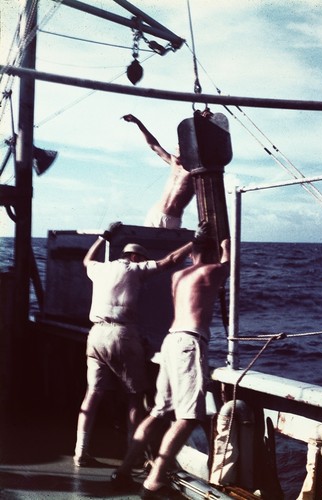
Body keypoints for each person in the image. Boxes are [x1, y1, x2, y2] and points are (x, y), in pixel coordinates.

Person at [111, 224, 230, 498]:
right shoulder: (211, 271)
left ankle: (124, 470)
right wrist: (225, 242)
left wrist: (200, 244)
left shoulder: (178, 276)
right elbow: (229, 263)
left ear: (192, 255)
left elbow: (191, 261)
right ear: (209, 254)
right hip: (190, 342)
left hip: (170, 342)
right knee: (187, 418)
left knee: (158, 412)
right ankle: (153, 483)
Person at [73, 221, 193, 467]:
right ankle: (134, 454)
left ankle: (80, 452)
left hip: (95, 335)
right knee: (135, 398)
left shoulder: (100, 269)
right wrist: (196, 242)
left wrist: (103, 236)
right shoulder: (135, 269)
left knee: (92, 395)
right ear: (136, 257)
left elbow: (86, 260)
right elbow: (169, 260)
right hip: (121, 335)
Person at [122, 114, 195, 229]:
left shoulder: (194, 170)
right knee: (143, 244)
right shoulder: (173, 162)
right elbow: (153, 145)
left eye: (181, 146)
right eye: (177, 147)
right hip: (154, 213)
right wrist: (138, 122)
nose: (177, 149)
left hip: (171, 219)